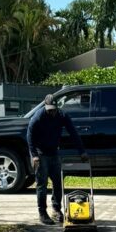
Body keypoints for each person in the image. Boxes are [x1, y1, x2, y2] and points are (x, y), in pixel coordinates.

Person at [26, 94, 88, 225]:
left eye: (54, 109)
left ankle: (56, 209)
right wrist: (34, 155)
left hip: (54, 152)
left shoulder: (62, 116)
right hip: (40, 153)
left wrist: (81, 151)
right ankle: (42, 212)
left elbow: (73, 133)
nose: (52, 112)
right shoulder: (38, 117)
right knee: (42, 184)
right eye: (49, 109)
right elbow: (29, 136)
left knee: (58, 182)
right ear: (45, 106)